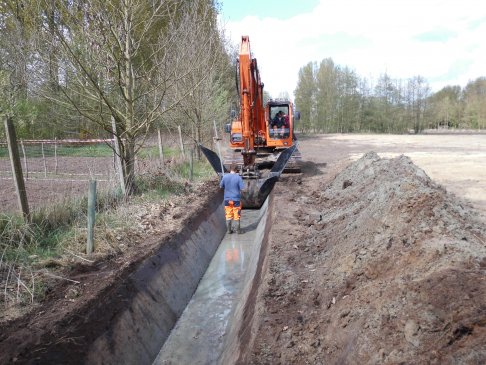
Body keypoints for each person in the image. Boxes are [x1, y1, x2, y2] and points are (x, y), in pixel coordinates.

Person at [219, 164, 244, 234]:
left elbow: (221, 186)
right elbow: (242, 188)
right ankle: (238, 231)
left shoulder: (225, 177)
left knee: (228, 214)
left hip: (227, 199)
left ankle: (229, 231)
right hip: (236, 200)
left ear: (230, 169)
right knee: (237, 214)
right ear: (237, 170)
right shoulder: (238, 178)